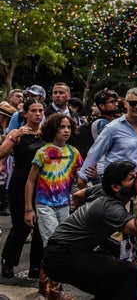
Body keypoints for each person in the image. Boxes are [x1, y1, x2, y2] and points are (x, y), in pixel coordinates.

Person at [41, 160, 137, 300]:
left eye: (136, 175)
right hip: (61, 258)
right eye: (132, 178)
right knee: (129, 272)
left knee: (112, 284)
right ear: (116, 187)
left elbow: (78, 195)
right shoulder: (109, 206)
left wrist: (84, 219)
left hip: (64, 252)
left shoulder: (103, 189)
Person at [25, 113, 83, 299]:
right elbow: (30, 182)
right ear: (53, 129)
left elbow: (79, 180)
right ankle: (52, 289)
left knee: (62, 243)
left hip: (64, 204)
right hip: (44, 204)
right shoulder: (42, 152)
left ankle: (48, 284)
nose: (66, 131)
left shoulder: (74, 153)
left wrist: (85, 179)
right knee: (52, 243)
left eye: (68, 127)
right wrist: (28, 208)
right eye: (61, 127)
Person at [0, 98, 45, 280]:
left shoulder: (46, 134)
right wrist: (14, 135)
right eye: (33, 111)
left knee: (41, 227)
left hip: (43, 185)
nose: (38, 114)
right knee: (22, 226)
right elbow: (1, 153)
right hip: (20, 184)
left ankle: (36, 265)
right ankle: (8, 261)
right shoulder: (18, 133)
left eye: (40, 111)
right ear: (25, 114)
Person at [77, 87, 137, 187]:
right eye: (132, 103)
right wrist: (83, 176)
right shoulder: (113, 128)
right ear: (126, 104)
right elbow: (95, 152)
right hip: (116, 185)